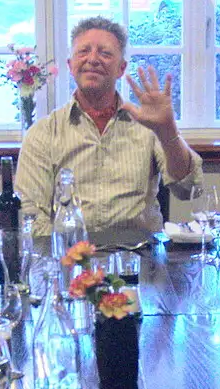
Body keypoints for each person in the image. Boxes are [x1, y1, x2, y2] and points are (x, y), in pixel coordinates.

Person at [16, 16, 202, 233]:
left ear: (121, 68)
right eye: (83, 51)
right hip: (70, 259)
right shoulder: (43, 133)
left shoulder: (148, 126)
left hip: (140, 257)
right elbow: (32, 216)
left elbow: (189, 190)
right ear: (70, 65)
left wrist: (168, 131)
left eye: (105, 53)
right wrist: (72, 258)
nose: (93, 59)